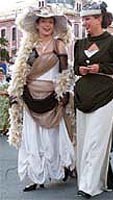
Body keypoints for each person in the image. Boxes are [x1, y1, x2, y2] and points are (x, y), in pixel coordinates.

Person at [8, 6, 75, 191]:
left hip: (52, 98)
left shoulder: (58, 44)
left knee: (53, 137)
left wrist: (63, 92)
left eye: (51, 22)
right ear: (37, 25)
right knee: (32, 138)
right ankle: (37, 176)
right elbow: (21, 73)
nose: (47, 25)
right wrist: (15, 94)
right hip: (30, 98)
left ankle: (59, 168)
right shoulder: (28, 46)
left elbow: (65, 73)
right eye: (44, 21)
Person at [73, 1, 113, 198]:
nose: (84, 23)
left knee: (96, 141)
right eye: (83, 19)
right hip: (82, 96)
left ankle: (89, 186)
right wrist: (79, 69)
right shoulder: (79, 44)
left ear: (99, 19)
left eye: (87, 19)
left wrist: (101, 68)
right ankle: (89, 179)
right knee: (83, 142)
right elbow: (74, 67)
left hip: (105, 95)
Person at [0, 68, 9, 135]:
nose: (1, 75)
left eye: (1, 74)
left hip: (6, 100)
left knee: (6, 114)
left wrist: (6, 92)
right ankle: (1, 128)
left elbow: (9, 91)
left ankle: (5, 129)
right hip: (1, 100)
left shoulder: (6, 82)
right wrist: (3, 92)